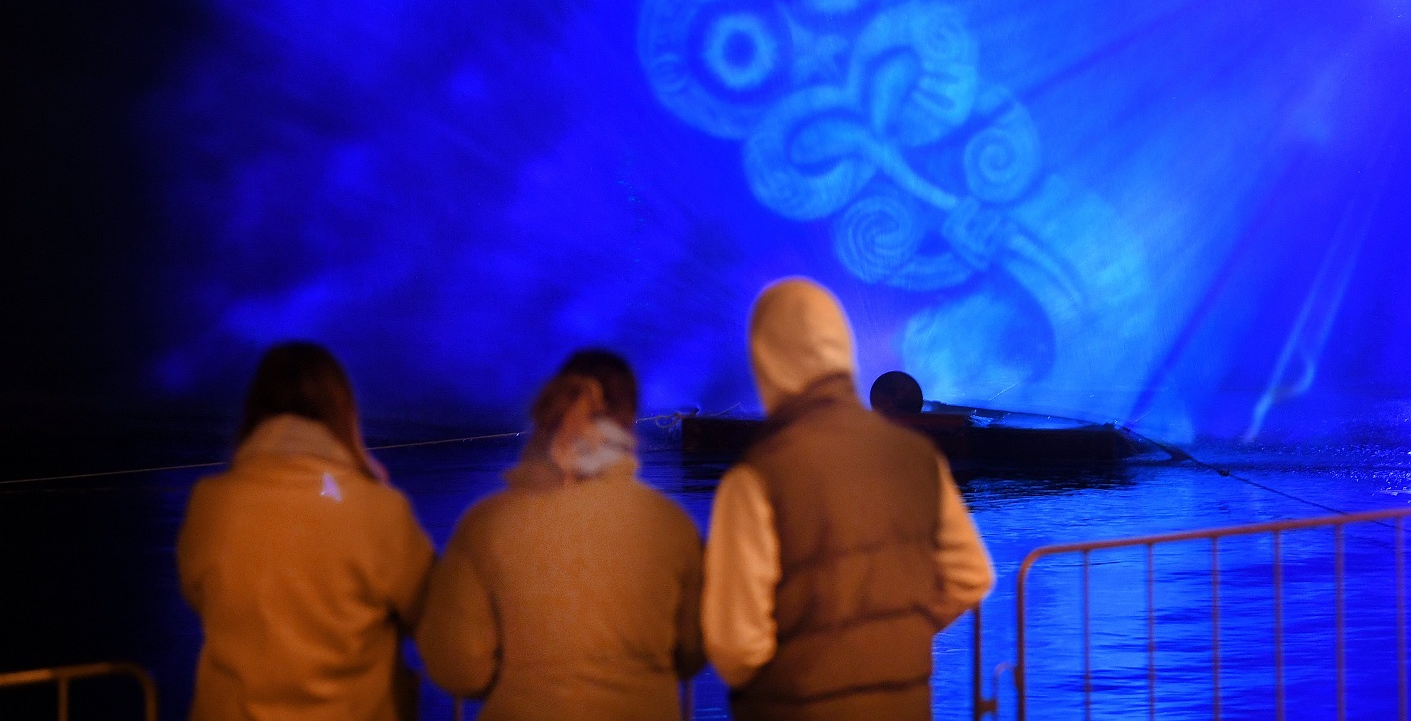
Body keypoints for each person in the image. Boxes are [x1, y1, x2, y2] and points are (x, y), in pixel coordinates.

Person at [704, 278, 994, 720]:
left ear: (766, 356)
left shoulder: (756, 475)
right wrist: (899, 639)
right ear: (843, 346)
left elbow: (735, 645)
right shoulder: (918, 457)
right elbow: (971, 577)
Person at [417, 349, 705, 721]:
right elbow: (693, 652)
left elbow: (458, 668)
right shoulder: (673, 527)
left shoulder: (486, 525)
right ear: (631, 420)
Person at [177, 340, 435, 721]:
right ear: (341, 408)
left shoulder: (209, 503)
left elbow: (199, 596)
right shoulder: (378, 509)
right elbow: (431, 616)